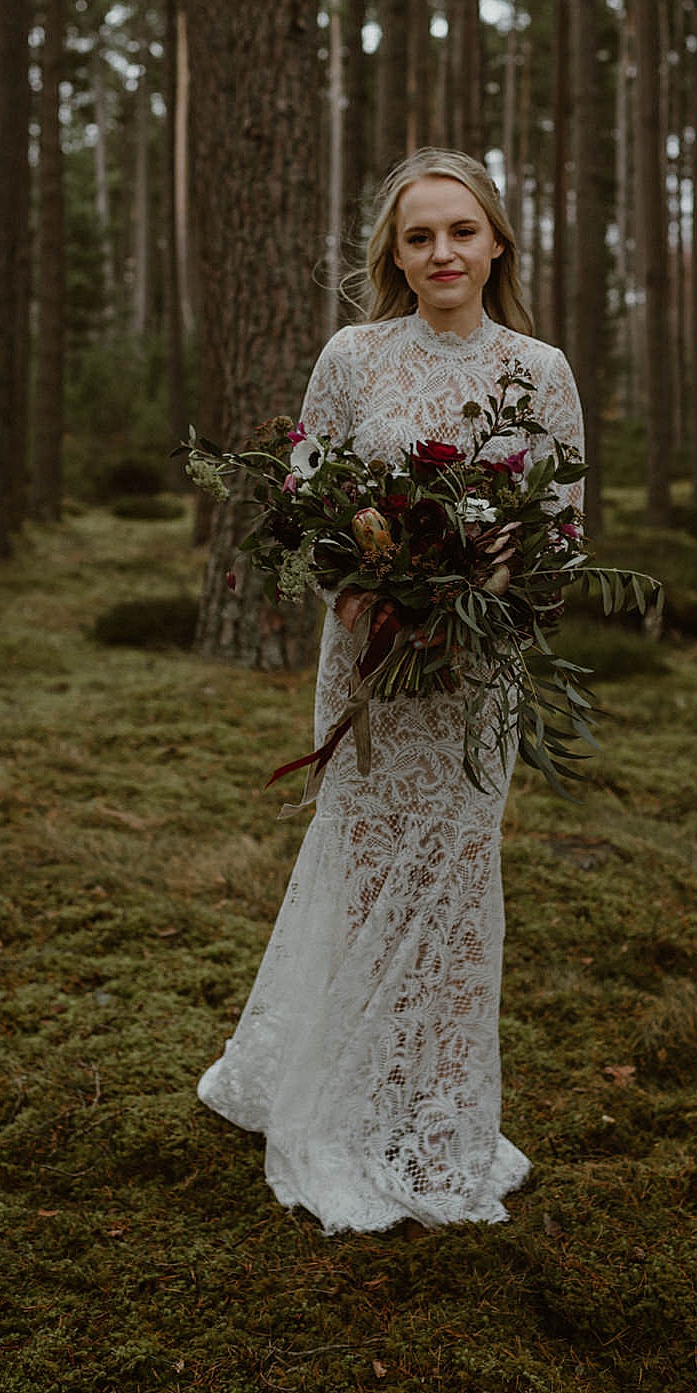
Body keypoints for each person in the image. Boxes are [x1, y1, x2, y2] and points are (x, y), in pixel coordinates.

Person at [196, 148, 585, 1233]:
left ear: (496, 240)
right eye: (419, 236)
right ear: (395, 255)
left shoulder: (541, 369)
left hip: (474, 678)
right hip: (369, 665)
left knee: (456, 889)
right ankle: (343, 1105)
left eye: (461, 230)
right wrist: (369, 584)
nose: (442, 252)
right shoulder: (353, 356)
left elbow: (563, 531)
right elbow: (310, 501)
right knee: (365, 868)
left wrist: (489, 592)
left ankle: (438, 1117)